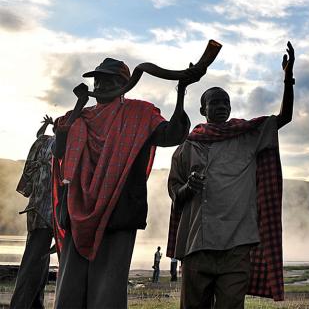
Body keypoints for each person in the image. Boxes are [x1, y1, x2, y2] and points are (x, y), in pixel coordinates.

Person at [52, 57, 203, 308]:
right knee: (71, 284)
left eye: (108, 80)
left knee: (108, 286)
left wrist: (181, 91)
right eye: (97, 80)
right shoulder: (78, 117)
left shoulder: (139, 114)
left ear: (124, 85)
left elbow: (174, 134)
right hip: (76, 210)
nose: (100, 85)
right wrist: (79, 104)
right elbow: (59, 150)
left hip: (119, 209)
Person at [167, 42, 295, 308]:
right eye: (214, 102)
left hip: (237, 246)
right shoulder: (186, 147)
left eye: (226, 102)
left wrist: (287, 78)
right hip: (196, 246)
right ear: (203, 110)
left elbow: (284, 117)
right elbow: (175, 196)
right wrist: (189, 187)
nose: (222, 106)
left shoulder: (246, 137)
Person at [10, 115, 56, 309]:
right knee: (35, 259)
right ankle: (22, 304)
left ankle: (35, 303)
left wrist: (46, 125)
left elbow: (39, 136)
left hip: (39, 211)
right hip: (45, 212)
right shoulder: (55, 146)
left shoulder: (44, 142)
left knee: (38, 259)